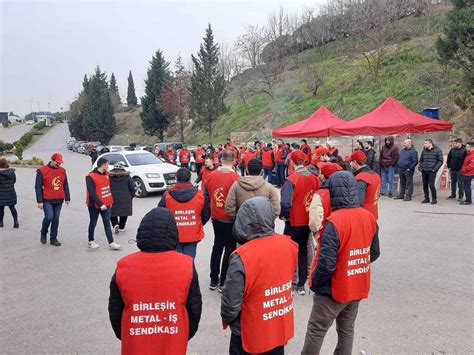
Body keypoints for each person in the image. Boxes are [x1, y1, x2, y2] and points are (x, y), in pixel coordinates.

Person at [302, 171, 380, 355]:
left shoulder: (334, 222)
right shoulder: (368, 217)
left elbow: (326, 263)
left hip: (334, 289)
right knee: (346, 329)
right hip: (357, 283)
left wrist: (317, 282)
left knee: (316, 329)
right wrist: (354, 263)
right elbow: (374, 252)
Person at [108, 207, 202, 355]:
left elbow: (115, 310)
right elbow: (194, 308)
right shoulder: (186, 265)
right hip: (173, 341)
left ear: (141, 234)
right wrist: (184, 333)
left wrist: (126, 334)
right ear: (173, 234)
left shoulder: (124, 266)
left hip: (135, 344)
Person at [221, 197, 297, 355]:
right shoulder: (289, 245)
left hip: (250, 329)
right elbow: (290, 279)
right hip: (278, 323)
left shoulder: (242, 256)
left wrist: (232, 322)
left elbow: (231, 303)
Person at [280, 151, 321, 295]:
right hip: (307, 219)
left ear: (292, 162)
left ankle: (290, 281)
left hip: (293, 221)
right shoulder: (315, 178)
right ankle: (301, 284)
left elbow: (285, 203)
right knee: (303, 251)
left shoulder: (291, 179)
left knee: (289, 252)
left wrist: (283, 215)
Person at [204, 150, 240, 291]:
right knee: (229, 249)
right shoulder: (236, 178)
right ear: (234, 161)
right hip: (230, 218)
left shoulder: (211, 176)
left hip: (216, 217)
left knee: (217, 246)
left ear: (220, 160)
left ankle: (213, 279)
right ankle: (224, 280)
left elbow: (207, 196)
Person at [159, 168, 211, 258]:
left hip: (173, 234)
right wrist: (197, 223)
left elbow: (160, 215)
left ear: (176, 178)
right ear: (190, 178)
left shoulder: (167, 196)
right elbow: (206, 214)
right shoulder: (200, 196)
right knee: (189, 261)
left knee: (176, 262)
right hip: (193, 233)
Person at [35, 153, 71, 246]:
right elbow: (38, 187)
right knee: (49, 217)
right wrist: (39, 201)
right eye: (57, 162)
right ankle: (43, 232)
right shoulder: (42, 171)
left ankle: (53, 238)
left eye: (60, 163)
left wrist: (67, 197)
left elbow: (65, 184)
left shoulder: (62, 171)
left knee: (56, 219)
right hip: (47, 199)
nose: (58, 164)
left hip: (59, 199)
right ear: (52, 160)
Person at [86, 158, 121, 250]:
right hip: (94, 205)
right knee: (93, 222)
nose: (108, 167)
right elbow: (91, 192)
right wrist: (100, 204)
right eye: (107, 165)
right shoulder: (90, 176)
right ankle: (91, 240)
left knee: (107, 224)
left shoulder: (107, 174)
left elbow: (108, 188)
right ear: (102, 165)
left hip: (107, 203)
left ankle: (111, 242)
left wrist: (109, 202)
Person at [308, 163, 343, 235]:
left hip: (325, 231)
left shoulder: (320, 194)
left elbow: (315, 221)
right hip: (341, 229)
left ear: (323, 176)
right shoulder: (344, 191)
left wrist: (315, 231)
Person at [347, 150, 381, 221]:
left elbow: (358, 202)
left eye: (351, 162)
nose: (350, 164)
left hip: (363, 217)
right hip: (373, 213)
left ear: (355, 162)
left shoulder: (361, 178)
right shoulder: (376, 175)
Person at [109, 162, 134, 234]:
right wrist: (132, 196)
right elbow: (132, 187)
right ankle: (121, 227)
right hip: (125, 197)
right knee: (124, 212)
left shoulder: (109, 176)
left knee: (112, 212)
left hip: (112, 197)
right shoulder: (127, 176)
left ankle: (115, 224)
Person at [419, 139, 443, 205]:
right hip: (424, 170)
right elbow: (421, 160)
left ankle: (434, 199)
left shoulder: (437, 150)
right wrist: (420, 167)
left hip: (432, 171)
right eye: (424, 143)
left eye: (426, 143)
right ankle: (426, 198)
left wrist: (434, 169)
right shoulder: (424, 150)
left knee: (431, 185)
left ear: (430, 143)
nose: (424, 145)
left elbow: (440, 161)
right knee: (425, 185)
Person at [0, 158, 18, 228]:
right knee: (12, 208)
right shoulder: (12, 173)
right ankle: (16, 222)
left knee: (1, 208)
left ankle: (1, 222)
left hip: (1, 194)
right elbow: (14, 181)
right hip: (11, 193)